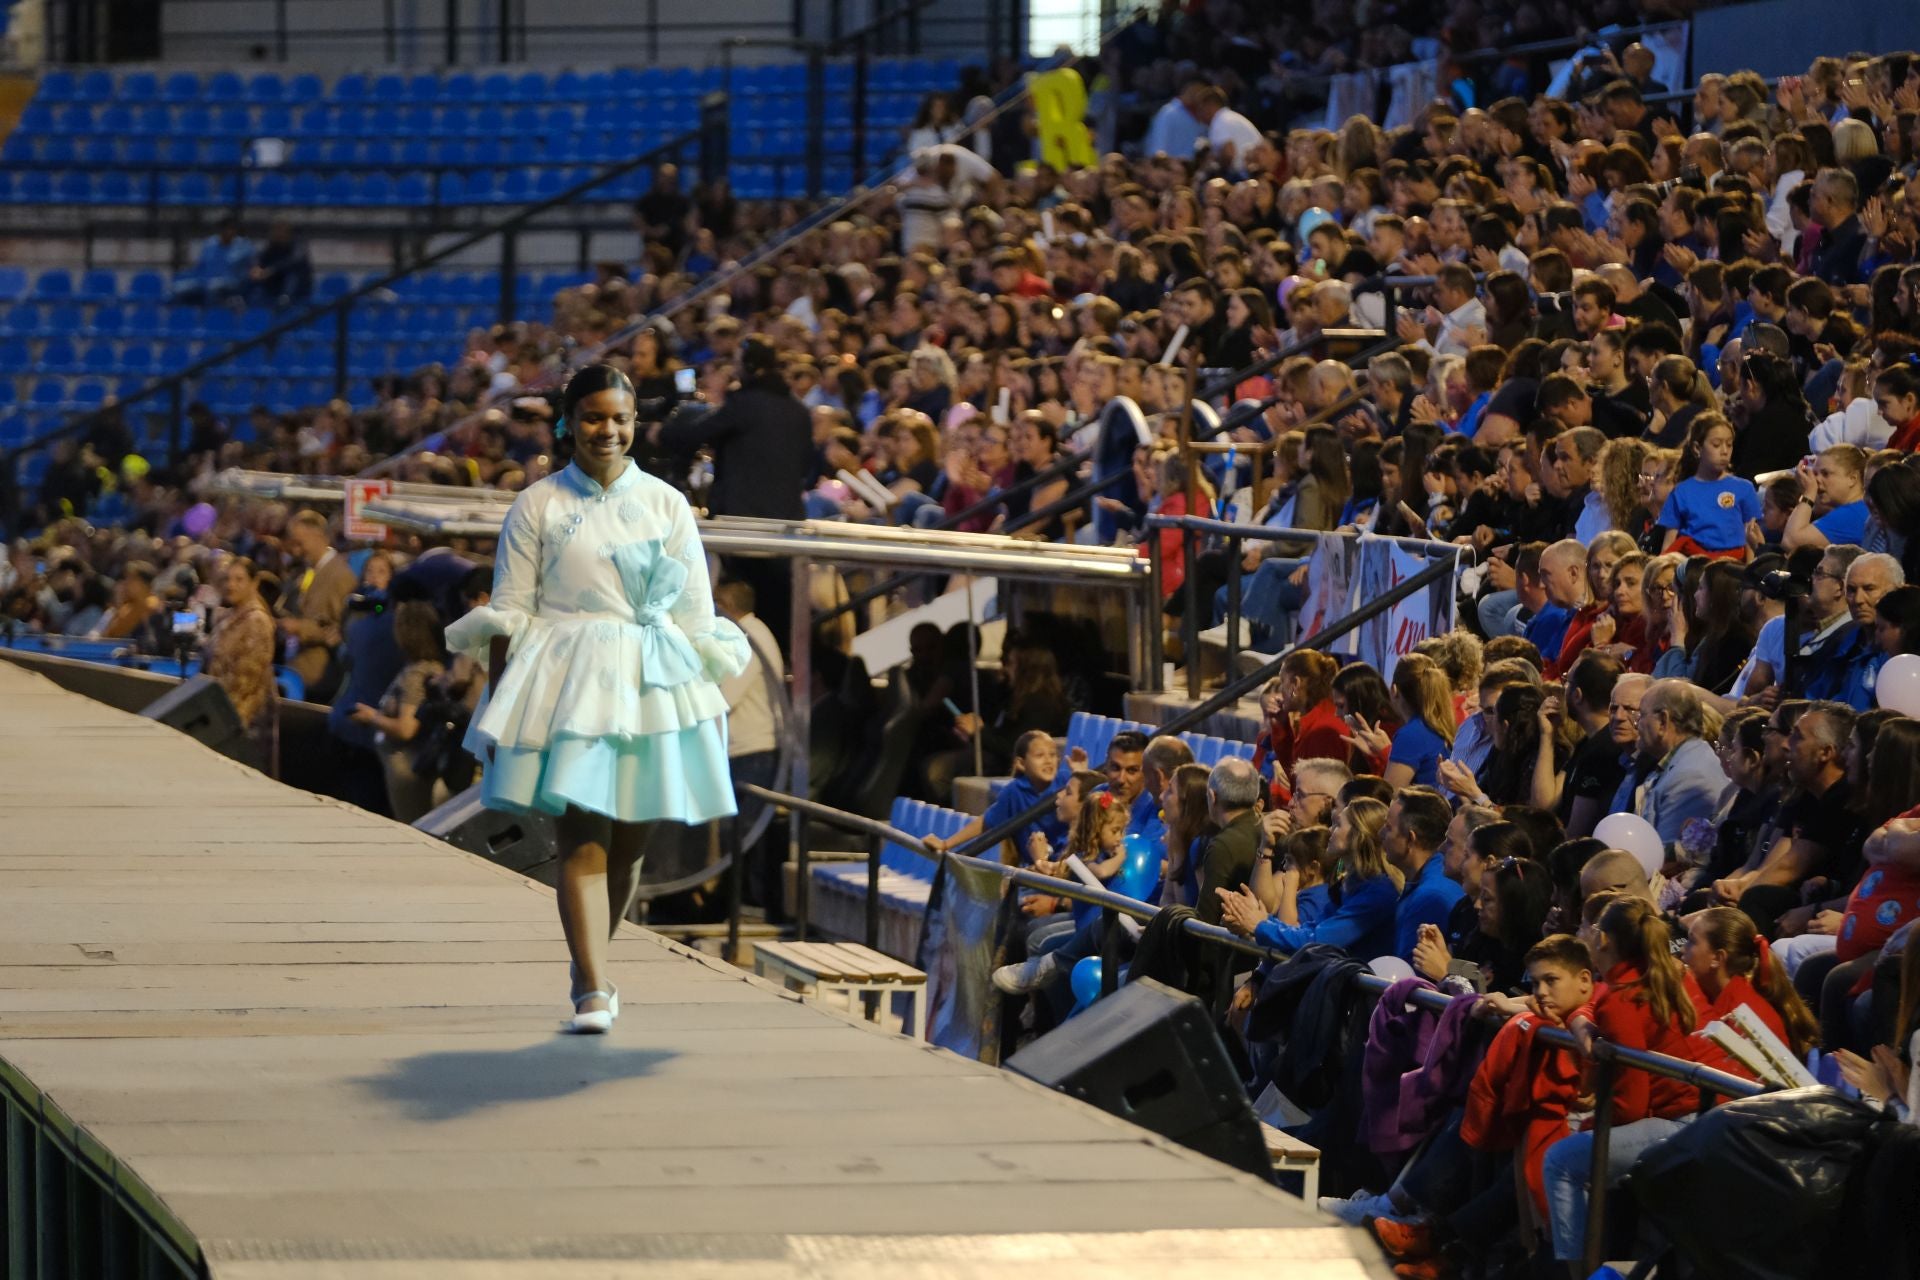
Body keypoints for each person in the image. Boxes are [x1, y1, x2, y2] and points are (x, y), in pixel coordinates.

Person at [444, 365, 751, 1034]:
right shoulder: (536, 504)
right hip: (568, 687)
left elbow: (695, 613)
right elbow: (510, 613)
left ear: (634, 423)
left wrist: (703, 702)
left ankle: (592, 966)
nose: (606, 430)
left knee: (629, 848)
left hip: (649, 685)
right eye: (592, 416)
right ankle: (591, 986)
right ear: (568, 422)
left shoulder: (668, 504)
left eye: (619, 418)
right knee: (583, 836)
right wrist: (497, 710)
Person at [1543, 896, 1699, 1271]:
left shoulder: (1623, 998)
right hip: (1696, 1118)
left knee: (1560, 1161)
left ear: (1605, 940)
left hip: (1681, 1123)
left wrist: (1591, 1126)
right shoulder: (1666, 976)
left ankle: (1579, 1275)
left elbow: (1631, 1103)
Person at [655, 337, 811, 655]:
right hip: (786, 527)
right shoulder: (798, 410)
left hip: (743, 526)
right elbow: (806, 466)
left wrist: (661, 432)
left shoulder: (745, 404)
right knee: (779, 613)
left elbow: (696, 433)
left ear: (750, 367)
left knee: (744, 609)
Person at [714, 578, 785, 909]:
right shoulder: (747, 634)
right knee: (736, 832)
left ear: (727, 606)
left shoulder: (748, 638)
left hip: (754, 750)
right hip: (743, 749)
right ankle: (737, 902)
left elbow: (725, 696)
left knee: (742, 833)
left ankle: (745, 906)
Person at [349, 600, 451, 824]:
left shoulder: (416, 675)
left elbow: (406, 728)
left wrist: (371, 716)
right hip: (405, 768)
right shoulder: (432, 668)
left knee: (411, 825)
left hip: (405, 769)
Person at [204, 555, 278, 776]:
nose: (231, 585)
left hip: (243, 719)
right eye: (227, 579)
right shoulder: (229, 615)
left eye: (239, 579)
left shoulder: (257, 621)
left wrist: (223, 719)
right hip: (220, 711)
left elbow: (246, 680)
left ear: (254, 583)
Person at [275, 509, 356, 702]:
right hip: (295, 669)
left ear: (319, 536)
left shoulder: (340, 575)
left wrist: (299, 627)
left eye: (300, 543)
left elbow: (339, 629)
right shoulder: (307, 571)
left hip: (318, 677)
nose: (295, 550)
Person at [170, 216, 254, 303]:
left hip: (233, 282)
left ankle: (214, 311)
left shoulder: (244, 246)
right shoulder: (210, 244)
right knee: (178, 288)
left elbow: (251, 268)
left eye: (231, 229)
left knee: (212, 287)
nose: (228, 232)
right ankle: (181, 312)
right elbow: (201, 267)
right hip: (205, 281)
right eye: (225, 229)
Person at [246, 219, 312, 307]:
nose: (278, 233)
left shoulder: (298, 245)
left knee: (292, 275)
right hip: (276, 281)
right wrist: (256, 267)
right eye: (275, 230)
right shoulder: (272, 245)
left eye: (281, 230)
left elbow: (294, 261)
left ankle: (285, 299)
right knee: (252, 274)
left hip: (297, 286)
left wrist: (271, 270)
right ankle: (241, 299)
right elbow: (260, 257)